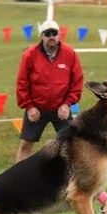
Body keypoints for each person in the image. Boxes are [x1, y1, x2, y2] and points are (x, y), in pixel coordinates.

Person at [15, 19, 84, 162]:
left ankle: (71, 175)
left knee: (71, 145)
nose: (51, 36)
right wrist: (29, 106)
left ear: (59, 35)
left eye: (54, 33)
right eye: (47, 34)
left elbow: (77, 81)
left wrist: (67, 104)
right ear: (41, 36)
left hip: (61, 109)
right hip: (36, 109)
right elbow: (22, 82)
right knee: (26, 145)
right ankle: (19, 175)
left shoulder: (70, 53)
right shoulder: (30, 54)